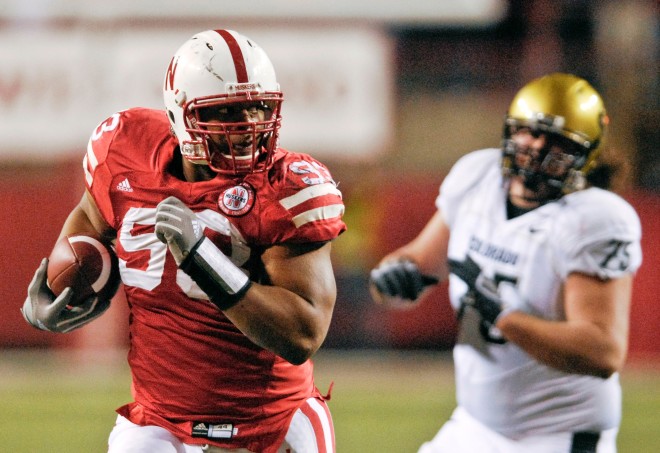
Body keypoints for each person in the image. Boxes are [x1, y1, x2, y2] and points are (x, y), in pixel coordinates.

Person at [22, 29, 345, 453]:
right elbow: (90, 215)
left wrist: (202, 259)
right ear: (181, 116)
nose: (248, 126)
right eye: (227, 111)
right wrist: (63, 283)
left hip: (273, 422)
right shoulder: (124, 151)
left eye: (258, 108)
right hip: (160, 422)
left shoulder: (284, 187)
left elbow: (302, 334)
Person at [369, 73, 642, 453]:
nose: (539, 146)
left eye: (559, 141)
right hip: (474, 426)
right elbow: (420, 261)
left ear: (586, 153)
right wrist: (395, 275)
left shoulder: (595, 218)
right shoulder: (477, 177)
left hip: (557, 436)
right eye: (530, 132)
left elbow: (602, 351)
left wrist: (503, 316)